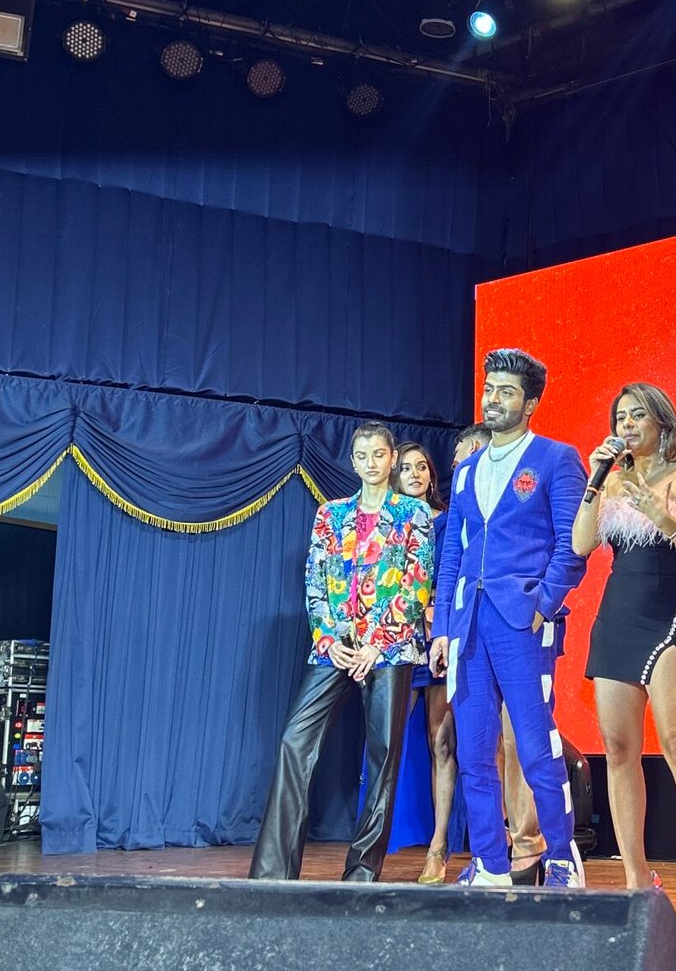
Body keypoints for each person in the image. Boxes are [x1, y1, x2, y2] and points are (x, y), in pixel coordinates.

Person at [572, 383, 676, 936]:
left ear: (662, 422)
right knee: (619, 751)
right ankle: (637, 882)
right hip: (618, 618)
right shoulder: (611, 479)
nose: (628, 424)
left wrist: (665, 517)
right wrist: (594, 482)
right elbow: (581, 545)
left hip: (672, 614)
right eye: (621, 417)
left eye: (638, 415)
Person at [431, 349, 589, 887]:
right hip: (468, 626)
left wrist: (543, 604)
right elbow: (452, 553)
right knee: (474, 751)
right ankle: (490, 863)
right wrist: (442, 628)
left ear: (531, 403)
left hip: (523, 624)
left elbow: (573, 544)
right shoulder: (466, 469)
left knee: (536, 746)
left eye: (506, 392)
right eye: (489, 389)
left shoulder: (556, 459)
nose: (493, 400)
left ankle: (562, 856)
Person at [250, 422, 433, 882]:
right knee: (295, 742)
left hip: (388, 648)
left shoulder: (413, 512)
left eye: (379, 454)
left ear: (392, 458)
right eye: (362, 455)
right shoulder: (330, 514)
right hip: (336, 648)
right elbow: (314, 580)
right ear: (352, 462)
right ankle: (272, 874)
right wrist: (331, 640)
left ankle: (362, 874)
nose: (371, 463)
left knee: (383, 756)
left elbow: (416, 584)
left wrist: (378, 642)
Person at [394, 430, 468, 885]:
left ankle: (438, 848)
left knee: (440, 742)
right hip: (398, 641)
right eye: (406, 468)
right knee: (389, 741)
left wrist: (436, 611)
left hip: (439, 639)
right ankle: (375, 843)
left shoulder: (448, 520)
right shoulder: (387, 524)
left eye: (421, 466)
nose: (415, 474)